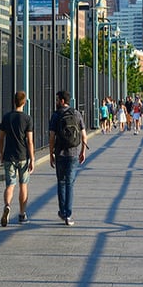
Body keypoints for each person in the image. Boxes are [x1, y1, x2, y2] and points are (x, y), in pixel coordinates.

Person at [48, 91, 87, 226]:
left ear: (63, 101)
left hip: (60, 153)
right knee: (70, 183)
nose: (56, 102)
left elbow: (52, 137)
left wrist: (50, 154)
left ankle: (63, 211)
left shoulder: (56, 115)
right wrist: (83, 151)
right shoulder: (76, 113)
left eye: (58, 100)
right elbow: (84, 135)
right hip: (74, 153)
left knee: (61, 182)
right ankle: (68, 215)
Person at [0, 91, 35, 226]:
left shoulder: (6, 117)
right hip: (23, 156)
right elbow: (30, 141)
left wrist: (1, 153)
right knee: (23, 185)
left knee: (9, 185)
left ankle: (7, 205)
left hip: (9, 155)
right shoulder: (27, 119)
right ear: (24, 103)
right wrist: (32, 158)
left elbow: (1, 138)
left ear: (14, 102)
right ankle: (22, 214)